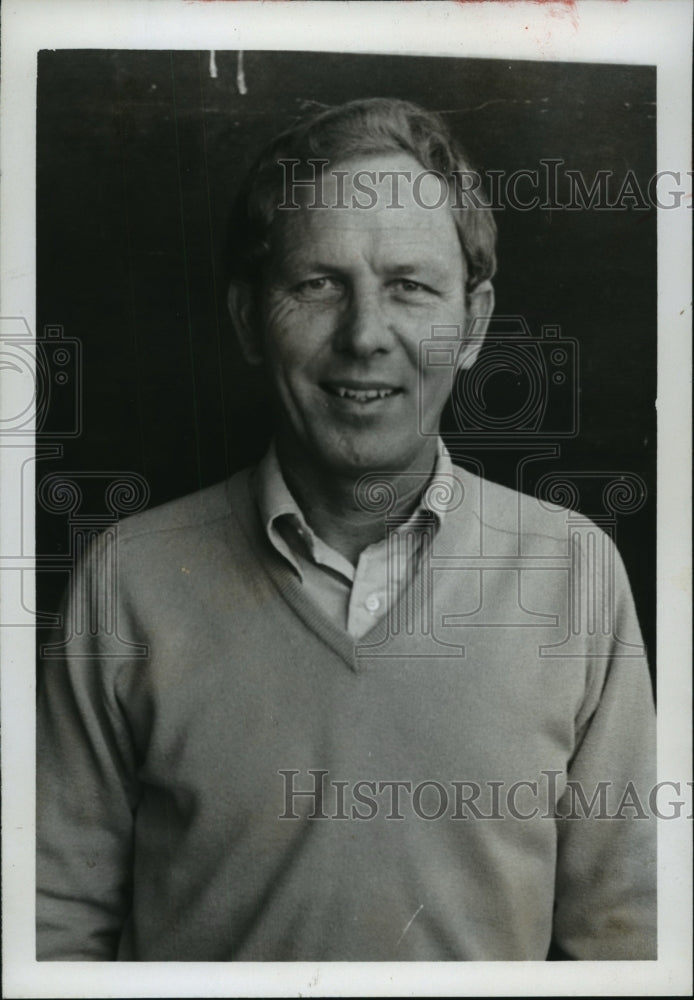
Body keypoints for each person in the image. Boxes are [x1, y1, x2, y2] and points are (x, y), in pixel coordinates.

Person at [37, 98, 656, 962]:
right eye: (317, 285)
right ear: (250, 317)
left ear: (472, 324)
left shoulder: (575, 574)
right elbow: (49, 930)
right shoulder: (127, 581)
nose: (366, 336)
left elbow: (628, 940)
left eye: (410, 286)